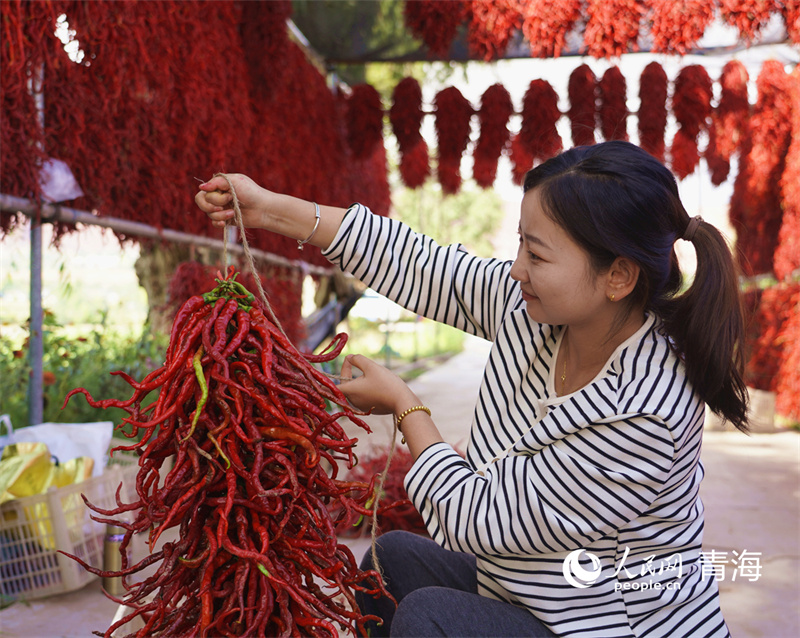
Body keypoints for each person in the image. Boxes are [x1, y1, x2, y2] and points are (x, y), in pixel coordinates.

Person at [196, 140, 747, 638]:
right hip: (537, 595)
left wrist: (405, 406)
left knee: (429, 619)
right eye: (520, 246)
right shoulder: (538, 312)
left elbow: (476, 520)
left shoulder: (645, 410)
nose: (516, 269)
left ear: (618, 277)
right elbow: (426, 266)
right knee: (391, 563)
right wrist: (268, 209)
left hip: (607, 625)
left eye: (537, 255)